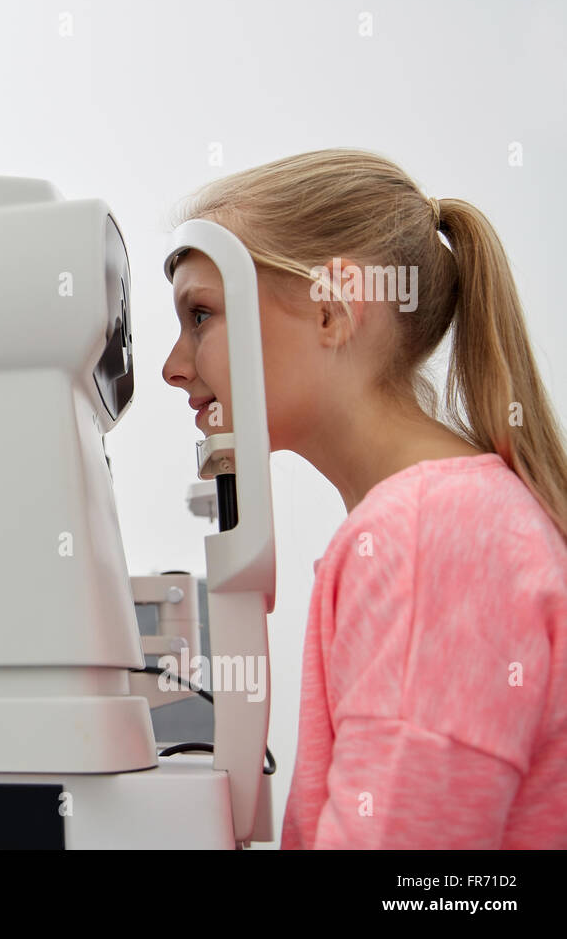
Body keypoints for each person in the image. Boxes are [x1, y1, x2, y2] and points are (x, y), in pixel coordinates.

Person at [162, 148, 567, 848]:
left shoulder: (428, 534)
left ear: (332, 309)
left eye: (201, 314)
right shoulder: (432, 521)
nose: (173, 367)